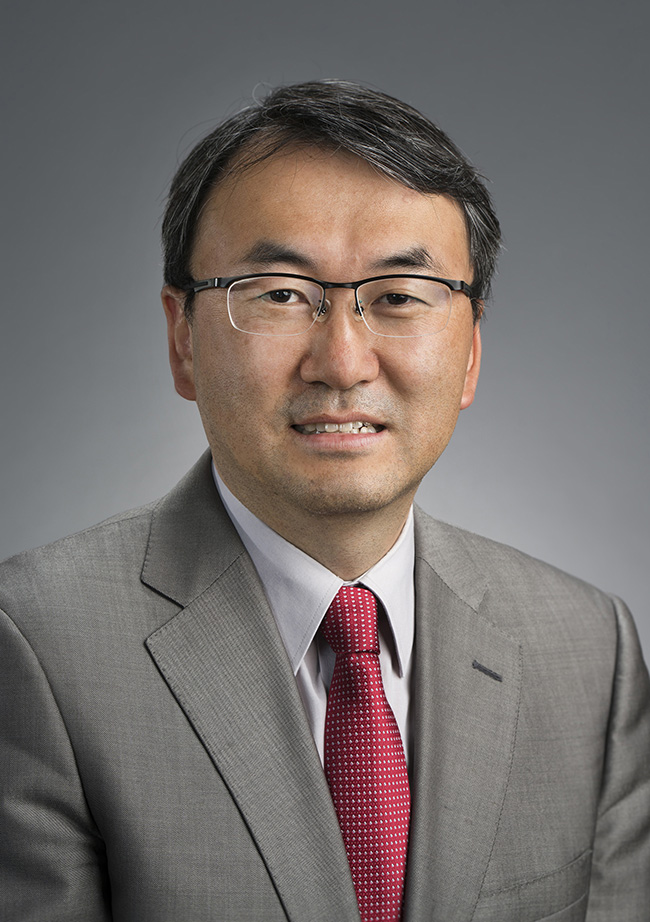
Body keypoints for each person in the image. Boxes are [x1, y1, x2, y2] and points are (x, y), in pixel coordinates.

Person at [1, 80, 648, 922]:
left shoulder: (588, 652)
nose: (342, 362)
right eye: (278, 292)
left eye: (399, 297)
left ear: (472, 354)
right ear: (181, 339)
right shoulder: (36, 649)